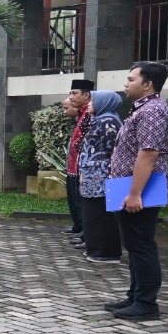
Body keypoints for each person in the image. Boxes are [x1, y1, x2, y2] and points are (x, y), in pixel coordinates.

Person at [105, 61, 168, 321]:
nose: (126, 83)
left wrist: (135, 194)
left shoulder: (153, 110)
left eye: (131, 79)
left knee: (142, 245)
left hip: (141, 188)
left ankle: (146, 303)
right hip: (126, 186)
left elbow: (149, 153)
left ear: (148, 84)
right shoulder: (142, 109)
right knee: (132, 244)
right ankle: (135, 295)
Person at [77, 90, 123, 265]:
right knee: (93, 214)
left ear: (104, 102)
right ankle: (96, 249)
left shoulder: (108, 122)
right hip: (92, 178)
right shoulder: (100, 120)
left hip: (101, 178)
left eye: (92, 100)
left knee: (101, 215)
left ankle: (105, 252)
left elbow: (114, 151)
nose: (88, 103)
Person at [64, 80, 93, 243]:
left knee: (83, 203)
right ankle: (80, 228)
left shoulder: (90, 114)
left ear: (86, 95)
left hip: (83, 167)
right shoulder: (81, 113)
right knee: (75, 200)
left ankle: (85, 232)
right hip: (74, 165)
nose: (71, 97)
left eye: (74, 93)